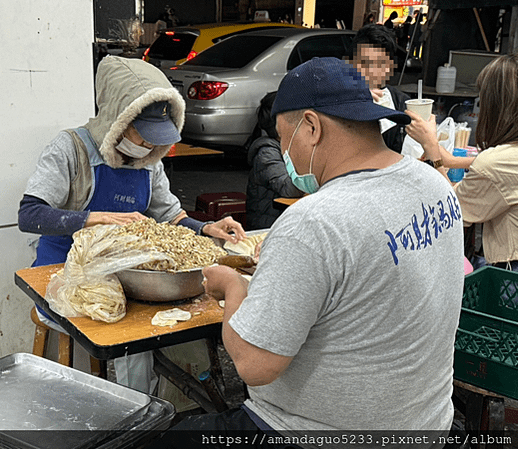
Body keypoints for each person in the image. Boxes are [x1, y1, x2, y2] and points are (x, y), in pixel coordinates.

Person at [147, 57, 465, 447]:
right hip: (427, 422)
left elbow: (253, 365)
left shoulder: (315, 222)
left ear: (312, 127)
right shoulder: (433, 183)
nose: (284, 152)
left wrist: (232, 287)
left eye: (283, 138)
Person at [18, 56, 245, 393]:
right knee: (130, 341)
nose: (150, 147)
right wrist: (98, 219)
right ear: (117, 122)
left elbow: (171, 215)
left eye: (157, 140)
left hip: (131, 278)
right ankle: (137, 419)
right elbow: (29, 215)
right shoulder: (71, 149)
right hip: (69, 278)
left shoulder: (148, 160)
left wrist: (204, 228)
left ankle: (176, 407)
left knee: (189, 323)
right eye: (143, 137)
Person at [405, 53, 518, 272]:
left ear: (496, 106)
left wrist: (435, 155)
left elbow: (453, 210)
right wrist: (451, 160)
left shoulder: (495, 163)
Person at [246, 92, 304, 230]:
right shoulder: (267, 153)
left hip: (287, 220)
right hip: (269, 227)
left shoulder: (288, 147)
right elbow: (289, 189)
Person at [350, 24, 411, 153]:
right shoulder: (337, 100)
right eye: (365, 63)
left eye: (379, 64)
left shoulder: (401, 104)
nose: (371, 71)